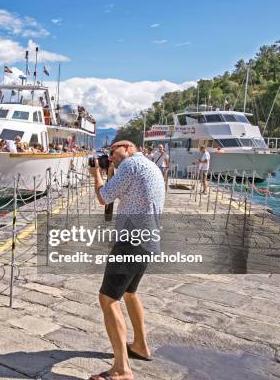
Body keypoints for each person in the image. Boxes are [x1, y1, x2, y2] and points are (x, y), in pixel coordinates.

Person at [89, 140, 165, 380]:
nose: (111, 157)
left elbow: (104, 197)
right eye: (109, 155)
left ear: (129, 148)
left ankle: (121, 369)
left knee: (108, 299)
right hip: (149, 239)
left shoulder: (131, 165)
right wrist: (110, 171)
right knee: (130, 293)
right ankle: (141, 345)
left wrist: (96, 174)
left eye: (114, 152)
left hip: (132, 240)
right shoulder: (150, 166)